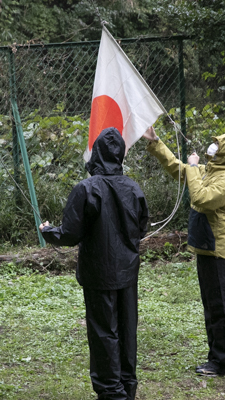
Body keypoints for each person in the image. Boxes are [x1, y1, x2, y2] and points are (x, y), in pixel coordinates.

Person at [40, 127, 149, 400]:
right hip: (126, 272)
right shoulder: (132, 188)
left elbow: (70, 234)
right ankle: (126, 388)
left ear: (97, 153)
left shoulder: (86, 189)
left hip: (100, 274)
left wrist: (48, 230)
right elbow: (142, 227)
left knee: (104, 332)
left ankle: (112, 392)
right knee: (126, 330)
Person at [143, 126, 225, 377]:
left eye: (219, 146)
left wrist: (191, 166)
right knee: (210, 306)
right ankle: (216, 357)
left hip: (216, 249)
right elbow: (179, 168)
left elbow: (200, 197)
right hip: (204, 247)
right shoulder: (210, 171)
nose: (214, 148)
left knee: (219, 307)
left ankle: (224, 363)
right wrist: (156, 143)